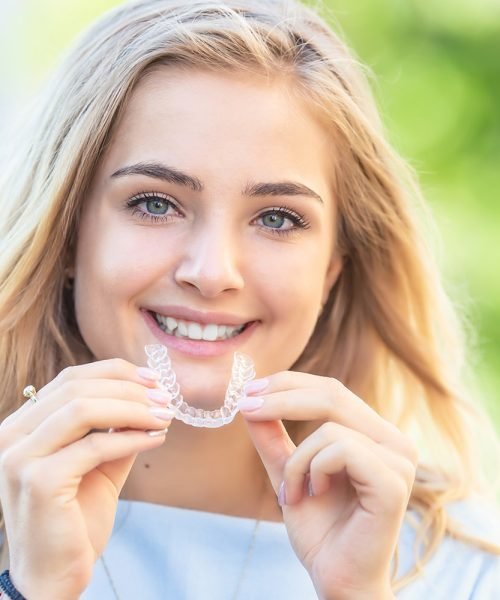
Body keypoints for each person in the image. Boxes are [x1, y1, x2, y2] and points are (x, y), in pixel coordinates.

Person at [0, 0, 498, 598]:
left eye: (278, 218)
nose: (212, 273)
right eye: (155, 203)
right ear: (68, 235)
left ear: (333, 269)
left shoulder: (466, 570)